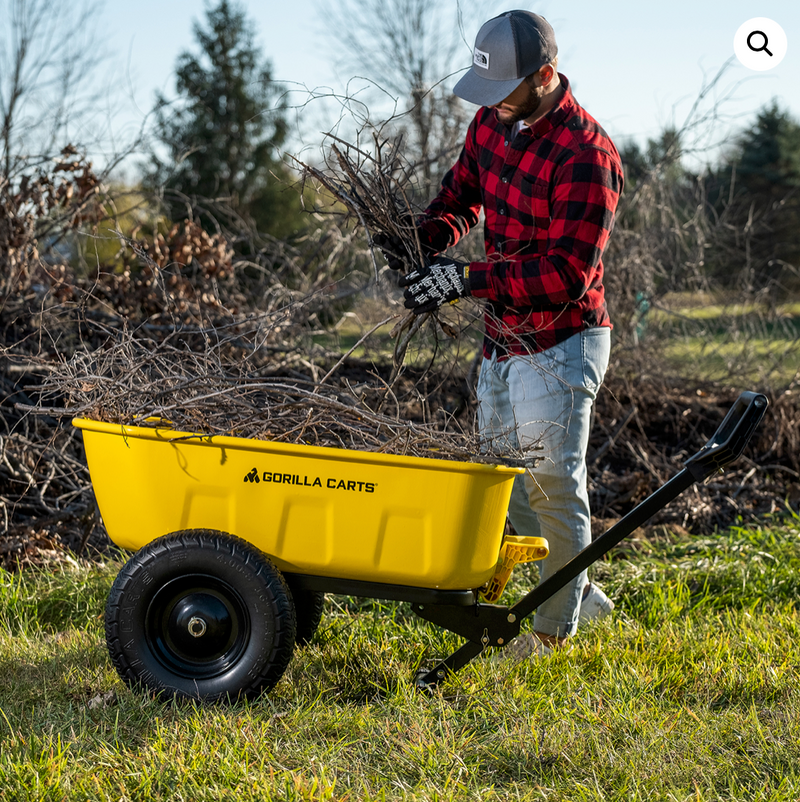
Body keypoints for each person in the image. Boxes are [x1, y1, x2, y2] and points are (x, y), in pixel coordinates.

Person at [378, 10, 624, 658]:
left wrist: (466, 280)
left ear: (544, 76)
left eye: (506, 90)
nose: (494, 105)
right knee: (505, 487)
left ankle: (549, 634)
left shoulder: (587, 155)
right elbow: (461, 197)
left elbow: (566, 274)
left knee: (551, 482)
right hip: (503, 340)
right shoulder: (491, 122)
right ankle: (578, 593)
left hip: (561, 340)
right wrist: (420, 241)